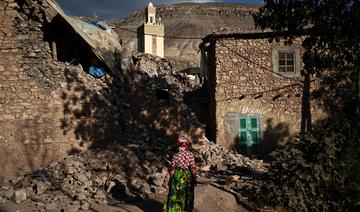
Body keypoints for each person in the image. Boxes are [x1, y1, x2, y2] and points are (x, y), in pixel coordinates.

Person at [163, 136, 197, 212]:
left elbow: (172, 169)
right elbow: (193, 168)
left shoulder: (175, 155)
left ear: (179, 145)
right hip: (187, 176)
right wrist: (194, 178)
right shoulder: (190, 155)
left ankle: (174, 209)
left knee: (175, 192)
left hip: (177, 175)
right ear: (187, 145)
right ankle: (186, 209)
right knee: (187, 193)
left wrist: (170, 179)